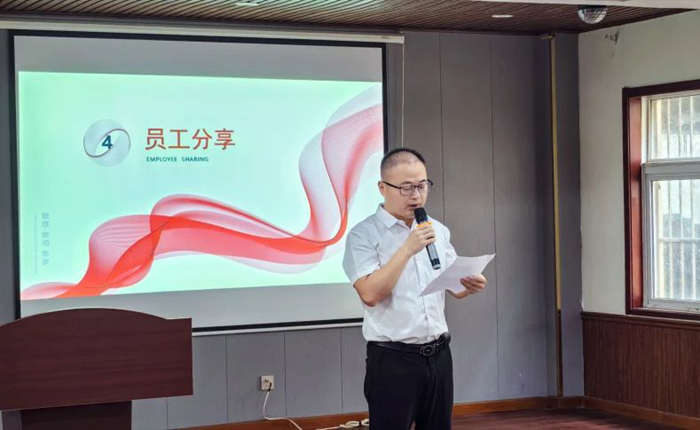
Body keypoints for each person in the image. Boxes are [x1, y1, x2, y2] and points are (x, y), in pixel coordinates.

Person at [342, 148, 487, 430]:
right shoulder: (363, 235)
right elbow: (370, 294)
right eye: (406, 187)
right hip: (393, 359)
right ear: (382, 188)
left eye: (422, 186)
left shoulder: (436, 230)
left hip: (439, 355)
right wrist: (407, 249)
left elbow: (452, 285)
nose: (416, 195)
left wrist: (469, 285)